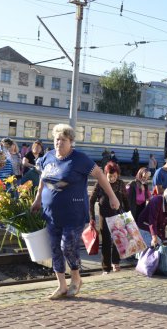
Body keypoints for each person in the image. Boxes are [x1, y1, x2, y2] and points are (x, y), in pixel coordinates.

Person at [32, 124, 120, 300]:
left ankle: (76, 279)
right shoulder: (48, 157)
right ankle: (61, 286)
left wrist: (112, 196)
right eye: (57, 139)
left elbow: (100, 175)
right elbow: (43, 179)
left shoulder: (80, 159)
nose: (59, 142)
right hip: (52, 214)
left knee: (68, 246)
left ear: (71, 142)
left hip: (74, 213)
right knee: (55, 249)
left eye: (63, 140)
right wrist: (38, 199)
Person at [89, 162, 129, 274]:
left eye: (115, 176)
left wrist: (129, 215)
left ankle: (116, 263)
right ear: (105, 174)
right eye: (110, 176)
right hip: (104, 217)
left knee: (118, 240)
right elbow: (91, 201)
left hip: (118, 216)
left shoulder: (121, 184)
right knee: (106, 243)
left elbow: (125, 200)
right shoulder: (100, 184)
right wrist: (92, 217)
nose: (112, 179)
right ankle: (106, 268)